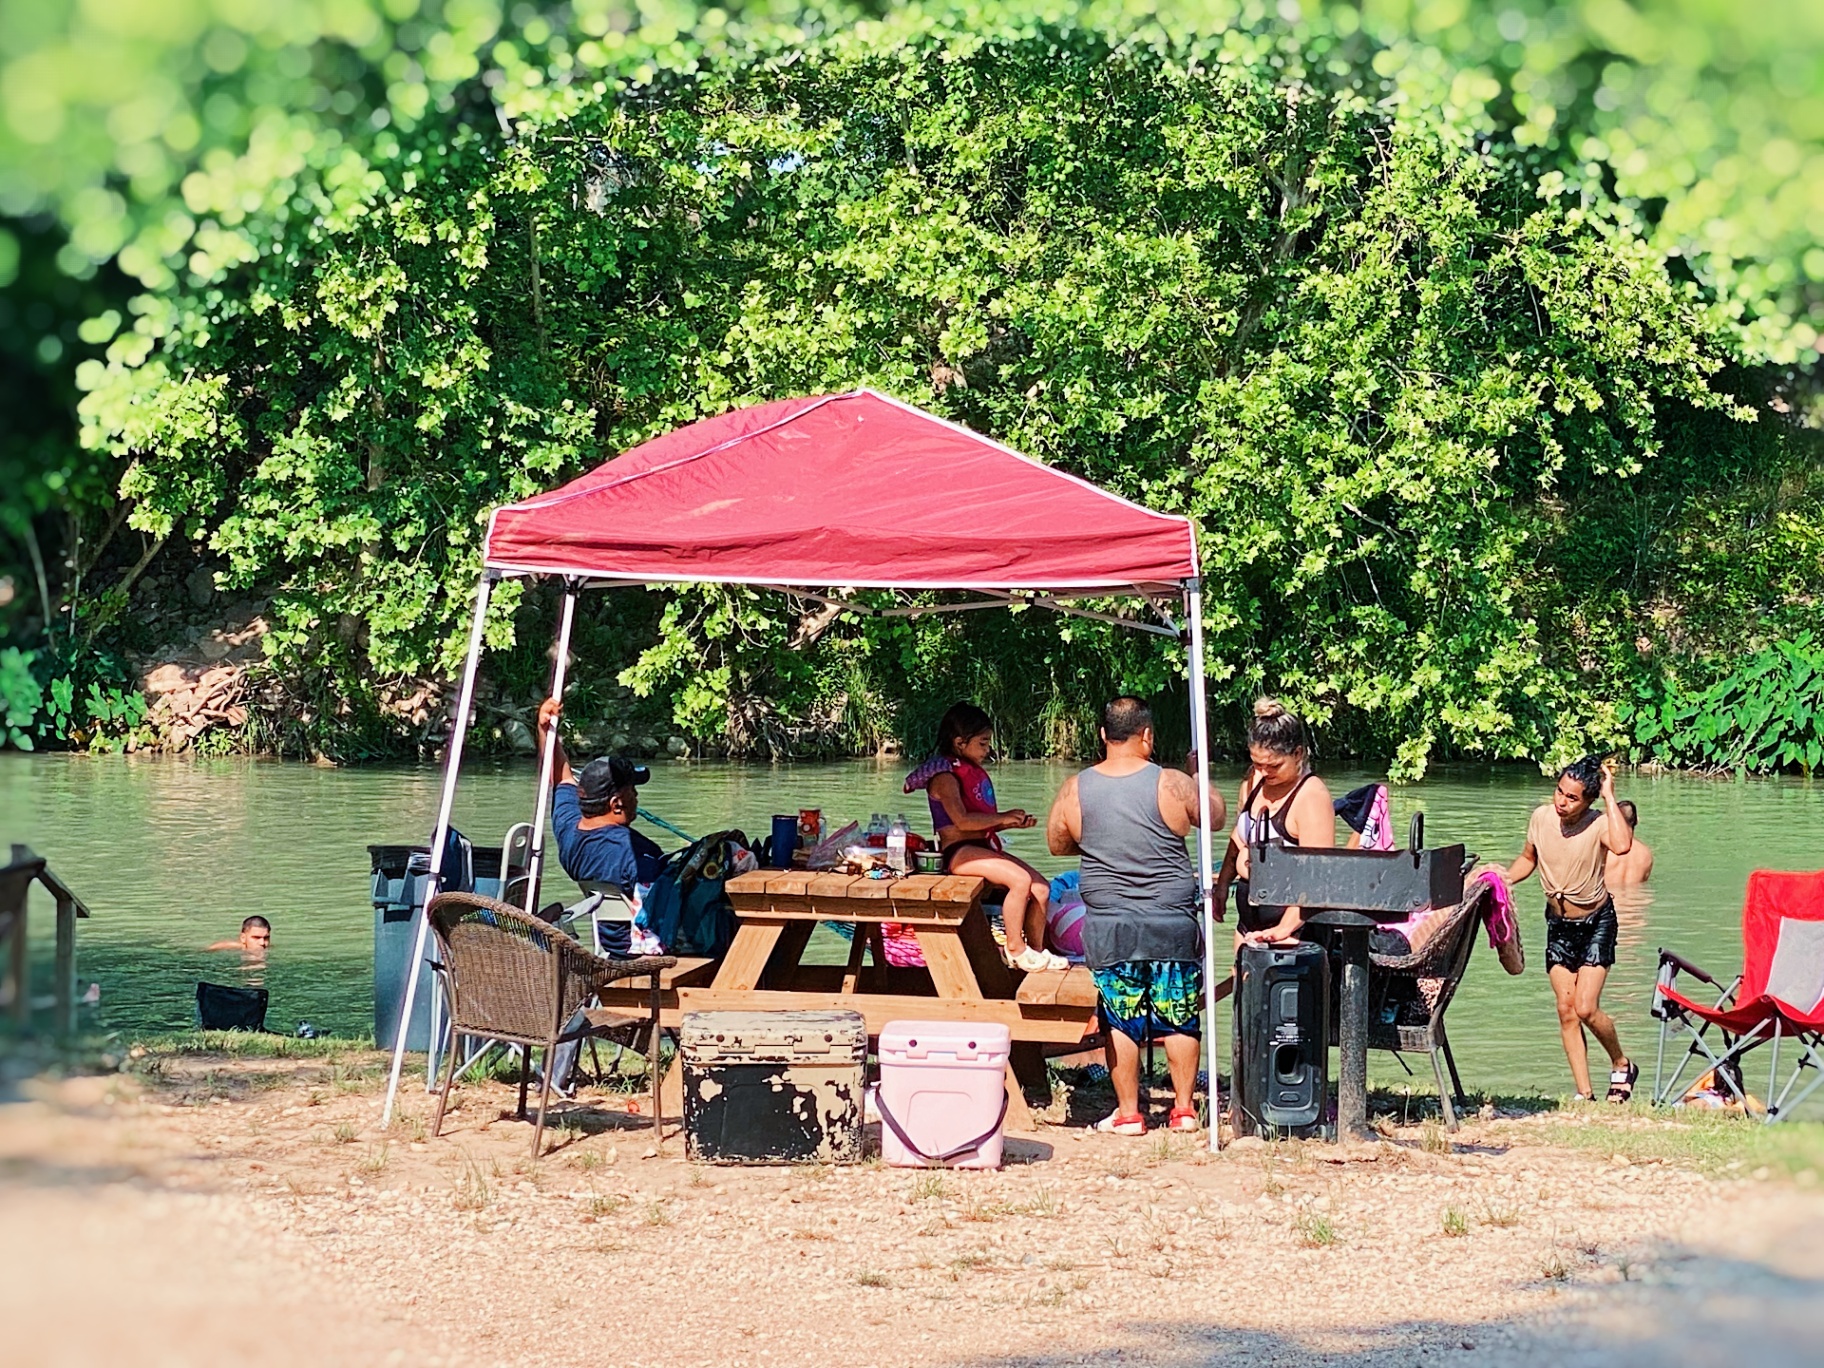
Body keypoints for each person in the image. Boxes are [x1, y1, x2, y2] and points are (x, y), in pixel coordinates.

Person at [1046, 696, 1226, 1136]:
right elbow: (1216, 818)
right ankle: (1183, 1110)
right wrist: (1200, 773)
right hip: (1171, 919)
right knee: (1180, 1012)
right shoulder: (1172, 783)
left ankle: (1129, 1113)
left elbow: (1057, 843)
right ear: (1147, 736)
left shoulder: (1075, 788)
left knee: (1120, 1015)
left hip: (1111, 923)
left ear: (1103, 736)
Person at [1500, 757, 1638, 1103]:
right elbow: (1528, 859)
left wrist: (1609, 794)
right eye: (1560, 792)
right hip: (1558, 924)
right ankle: (1584, 1095)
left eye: (1572, 797)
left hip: (1596, 923)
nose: (1562, 801)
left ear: (1588, 801)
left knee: (1586, 1007)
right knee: (1565, 1009)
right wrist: (1502, 879)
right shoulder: (1541, 817)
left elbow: (1623, 846)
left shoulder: (1599, 823)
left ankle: (1622, 1063)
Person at [905, 702, 1064, 972]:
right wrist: (1002, 817)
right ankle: (1015, 949)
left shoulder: (968, 772)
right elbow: (962, 822)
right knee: (1020, 880)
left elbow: (982, 824)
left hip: (981, 846)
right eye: (982, 743)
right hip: (959, 851)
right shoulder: (945, 778)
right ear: (959, 743)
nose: (987, 749)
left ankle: (1035, 952)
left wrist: (1011, 822)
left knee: (1040, 888)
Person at [535, 696, 663, 957]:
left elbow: (561, 778)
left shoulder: (570, 830)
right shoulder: (632, 854)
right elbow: (663, 903)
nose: (636, 797)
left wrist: (546, 731)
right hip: (642, 954)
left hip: (612, 948)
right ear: (616, 804)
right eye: (633, 790)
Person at [1213, 698, 1335, 946]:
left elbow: (1318, 875)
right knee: (1243, 983)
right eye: (1257, 763)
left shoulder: (1311, 796)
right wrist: (1223, 884)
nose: (1264, 772)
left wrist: (1284, 928)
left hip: (1294, 927)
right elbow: (1239, 836)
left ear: (1298, 753)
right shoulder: (1253, 780)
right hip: (1249, 917)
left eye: (1274, 765)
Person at [1607, 800, 1654, 884]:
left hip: (1610, 895)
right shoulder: (1646, 853)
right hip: (1638, 896)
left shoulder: (1607, 849)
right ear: (1637, 821)